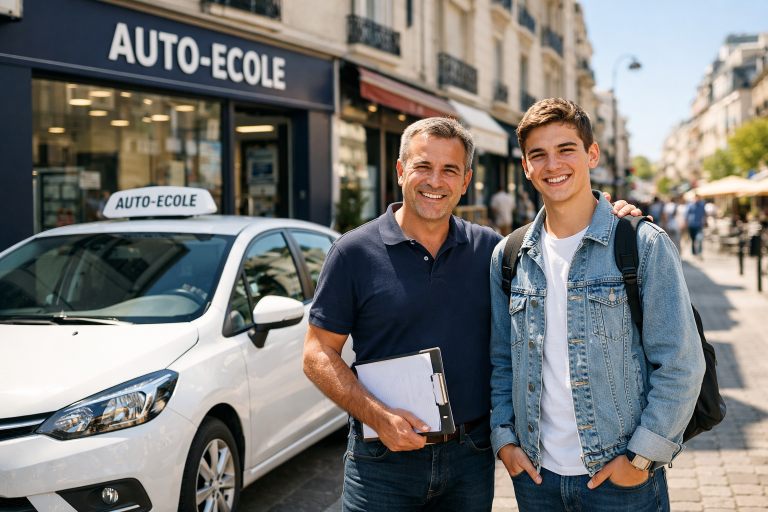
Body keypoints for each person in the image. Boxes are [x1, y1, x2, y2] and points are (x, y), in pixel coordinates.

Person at [302, 117, 641, 512]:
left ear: (465, 181)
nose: (435, 181)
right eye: (423, 166)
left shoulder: (493, 252)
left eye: (450, 170)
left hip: (471, 459)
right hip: (382, 461)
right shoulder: (353, 253)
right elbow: (317, 354)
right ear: (400, 171)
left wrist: (609, 216)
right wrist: (377, 416)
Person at [490, 99, 705, 512]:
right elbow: (502, 360)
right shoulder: (510, 254)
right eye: (538, 154)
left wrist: (641, 458)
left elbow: (681, 364)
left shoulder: (643, 244)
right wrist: (505, 440)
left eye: (566, 149)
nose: (553, 164)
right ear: (526, 167)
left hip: (620, 480)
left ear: (592, 154)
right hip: (536, 480)